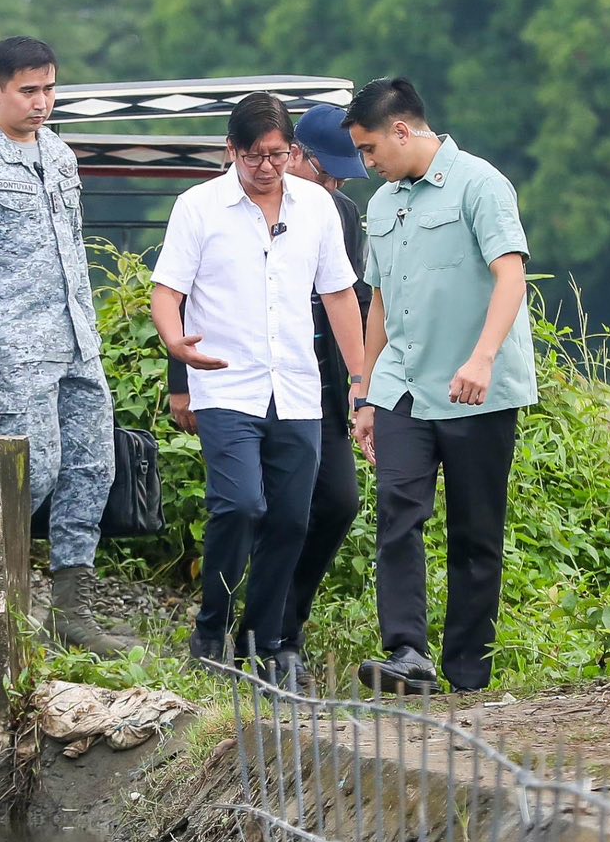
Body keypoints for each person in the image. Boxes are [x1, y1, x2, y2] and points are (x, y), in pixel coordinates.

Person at [0, 36, 131, 657]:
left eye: (49, 89)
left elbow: (73, 247)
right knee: (33, 467)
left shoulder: (61, 155)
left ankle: (71, 610)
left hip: (75, 337)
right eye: (28, 91)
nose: (41, 102)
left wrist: (89, 329)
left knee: (93, 466)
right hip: (14, 340)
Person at [153, 94, 365, 678]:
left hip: (296, 385)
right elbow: (168, 291)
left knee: (294, 518)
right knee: (241, 504)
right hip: (226, 383)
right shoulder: (199, 207)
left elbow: (340, 295)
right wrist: (176, 343)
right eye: (253, 156)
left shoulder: (317, 206)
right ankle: (211, 628)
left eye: (277, 154)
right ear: (231, 151)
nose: (266, 167)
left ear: (293, 150)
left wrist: (360, 380)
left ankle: (263, 640)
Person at [344, 77, 535, 696]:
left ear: (401, 131)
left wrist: (482, 359)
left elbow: (511, 277)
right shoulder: (382, 205)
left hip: (474, 388)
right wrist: (365, 392)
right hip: (402, 386)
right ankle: (407, 653)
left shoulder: (481, 185)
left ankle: (468, 672)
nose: (366, 164)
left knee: (476, 530)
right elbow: (378, 303)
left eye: (370, 149)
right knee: (398, 513)